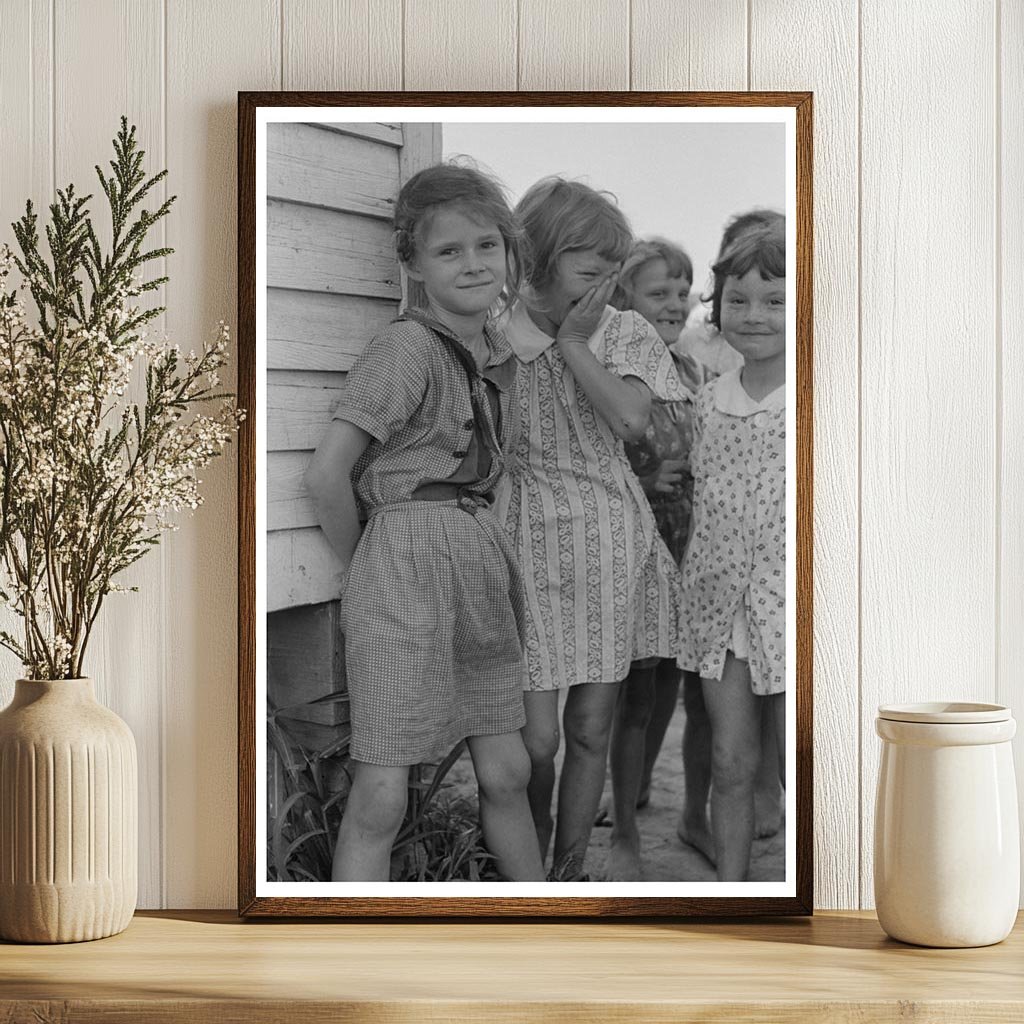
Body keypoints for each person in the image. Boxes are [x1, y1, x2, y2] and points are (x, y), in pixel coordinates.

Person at [304, 163, 544, 882]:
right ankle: (358, 955)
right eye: (448, 251)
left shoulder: (496, 354)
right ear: (411, 264)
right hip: (404, 558)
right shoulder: (406, 349)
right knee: (381, 792)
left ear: (507, 252)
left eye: (485, 246)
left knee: (507, 769)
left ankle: (546, 927)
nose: (472, 263)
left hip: (475, 557)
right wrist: (369, 564)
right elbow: (325, 475)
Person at [495, 178, 691, 880]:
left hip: (609, 542)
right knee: (537, 739)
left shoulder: (626, 331)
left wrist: (577, 344)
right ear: (540, 259)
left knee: (589, 728)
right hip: (522, 542)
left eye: (615, 270)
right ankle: (531, 857)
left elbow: (632, 420)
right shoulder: (497, 327)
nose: (608, 284)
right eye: (590, 270)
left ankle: (570, 869)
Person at [680, 223, 787, 882]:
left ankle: (818, 895)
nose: (754, 315)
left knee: (803, 760)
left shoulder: (816, 397)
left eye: (774, 300)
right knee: (730, 762)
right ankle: (732, 891)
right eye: (739, 300)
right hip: (721, 609)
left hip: (794, 606)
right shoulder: (706, 402)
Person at [603, 237, 706, 880]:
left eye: (681, 291)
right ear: (623, 299)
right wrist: (643, 483)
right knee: (633, 689)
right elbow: (587, 465)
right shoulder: (614, 372)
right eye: (657, 292)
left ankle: (640, 783)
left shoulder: (694, 372)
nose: (674, 303)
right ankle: (623, 816)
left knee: (670, 677)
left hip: (689, 542)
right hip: (637, 539)